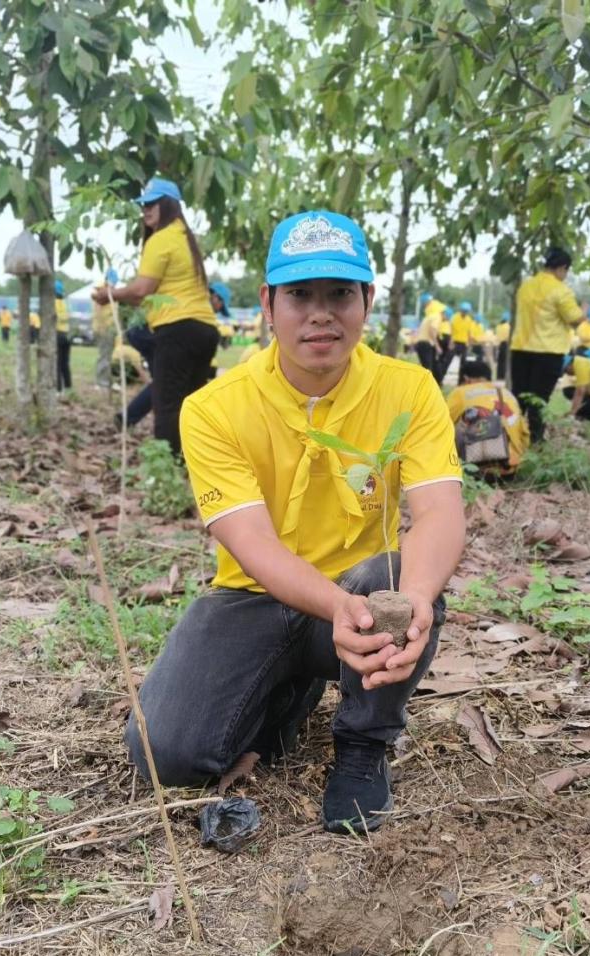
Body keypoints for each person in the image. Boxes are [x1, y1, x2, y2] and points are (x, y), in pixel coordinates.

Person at [124, 209, 463, 835]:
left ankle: (364, 745)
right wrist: (330, 605)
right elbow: (248, 538)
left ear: (366, 300)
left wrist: (414, 596)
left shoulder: (409, 390)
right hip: (253, 598)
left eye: (340, 294)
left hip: (361, 598)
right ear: (268, 304)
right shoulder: (213, 408)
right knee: (163, 755)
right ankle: (288, 692)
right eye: (300, 294)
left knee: (396, 578)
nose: (320, 314)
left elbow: (440, 511)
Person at [92, 177, 219, 456]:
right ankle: (191, 463)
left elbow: (141, 291)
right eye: (143, 205)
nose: (146, 210)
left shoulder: (161, 240)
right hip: (205, 330)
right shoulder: (185, 238)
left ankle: (167, 469)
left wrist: (109, 294)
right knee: (190, 404)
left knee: (167, 404)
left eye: (152, 204)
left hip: (177, 329)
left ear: (169, 205)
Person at [510, 247, 584, 443]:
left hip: (520, 349)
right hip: (548, 352)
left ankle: (511, 438)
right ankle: (536, 439)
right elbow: (574, 319)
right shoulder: (561, 290)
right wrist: (584, 310)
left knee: (519, 398)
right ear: (562, 268)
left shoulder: (526, 286)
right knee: (539, 399)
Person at [446, 359, 529, 476]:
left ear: (466, 379)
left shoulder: (460, 392)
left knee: (448, 425)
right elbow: (525, 434)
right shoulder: (506, 393)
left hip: (474, 468)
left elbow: (440, 425)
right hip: (510, 468)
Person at [413, 292, 445, 383]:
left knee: (426, 367)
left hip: (420, 343)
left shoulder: (430, 316)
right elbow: (432, 329)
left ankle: (424, 387)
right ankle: (426, 389)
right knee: (428, 369)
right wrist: (437, 346)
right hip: (426, 344)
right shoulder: (437, 316)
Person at [54, 279, 72, 392]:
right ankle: (68, 387)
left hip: (57, 335)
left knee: (57, 364)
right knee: (65, 363)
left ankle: (58, 389)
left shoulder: (52, 303)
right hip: (66, 335)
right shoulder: (65, 303)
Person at [494, 310, 511, 384]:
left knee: (500, 361)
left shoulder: (498, 326)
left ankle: (499, 376)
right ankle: (503, 376)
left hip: (499, 344)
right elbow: (508, 337)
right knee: (505, 361)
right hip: (506, 344)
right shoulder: (508, 326)